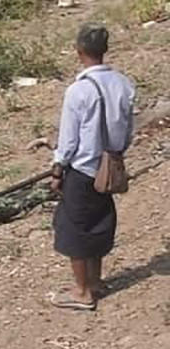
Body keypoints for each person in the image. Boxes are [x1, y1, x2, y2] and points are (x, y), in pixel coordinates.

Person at [50, 25, 135, 312]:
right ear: (105, 50)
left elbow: (69, 139)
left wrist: (58, 169)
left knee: (74, 229)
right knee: (100, 223)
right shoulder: (124, 84)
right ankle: (96, 281)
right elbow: (127, 130)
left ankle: (82, 291)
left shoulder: (78, 90)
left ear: (79, 52)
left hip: (83, 170)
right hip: (110, 167)